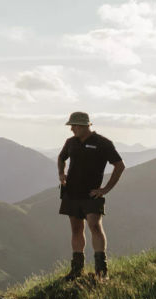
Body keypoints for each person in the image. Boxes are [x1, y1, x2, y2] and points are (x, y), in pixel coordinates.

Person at [57, 112, 125, 280]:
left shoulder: (103, 143)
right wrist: (61, 173)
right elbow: (61, 157)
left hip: (91, 195)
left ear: (83, 126)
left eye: (74, 126)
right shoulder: (71, 142)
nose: (71, 129)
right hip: (71, 193)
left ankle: (102, 271)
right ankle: (77, 270)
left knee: (95, 226)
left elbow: (119, 165)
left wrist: (105, 189)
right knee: (76, 229)